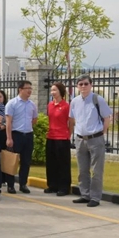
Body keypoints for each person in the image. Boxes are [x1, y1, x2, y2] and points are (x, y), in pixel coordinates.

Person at [69, 74, 111, 207]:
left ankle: (95, 197)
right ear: (77, 86)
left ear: (91, 85)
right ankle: (85, 194)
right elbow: (72, 119)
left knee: (97, 171)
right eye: (80, 84)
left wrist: (102, 132)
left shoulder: (98, 99)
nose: (83, 86)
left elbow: (107, 118)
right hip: (80, 139)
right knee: (82, 170)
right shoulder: (74, 101)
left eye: (86, 84)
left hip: (95, 139)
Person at [4, 81, 38, 194]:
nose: (29, 91)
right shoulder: (12, 104)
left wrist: (27, 127)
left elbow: (34, 120)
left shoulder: (32, 105)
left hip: (28, 135)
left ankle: (23, 184)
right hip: (16, 134)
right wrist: (9, 138)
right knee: (12, 161)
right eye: (27, 88)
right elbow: (8, 122)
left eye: (30, 88)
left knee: (26, 161)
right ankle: (10, 185)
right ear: (20, 89)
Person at [45, 82, 72, 196]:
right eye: (52, 90)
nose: (53, 92)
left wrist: (68, 134)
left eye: (55, 90)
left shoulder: (66, 106)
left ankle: (64, 187)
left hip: (62, 138)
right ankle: (52, 185)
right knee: (51, 163)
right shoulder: (50, 105)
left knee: (63, 164)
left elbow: (71, 122)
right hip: (51, 136)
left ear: (61, 91)